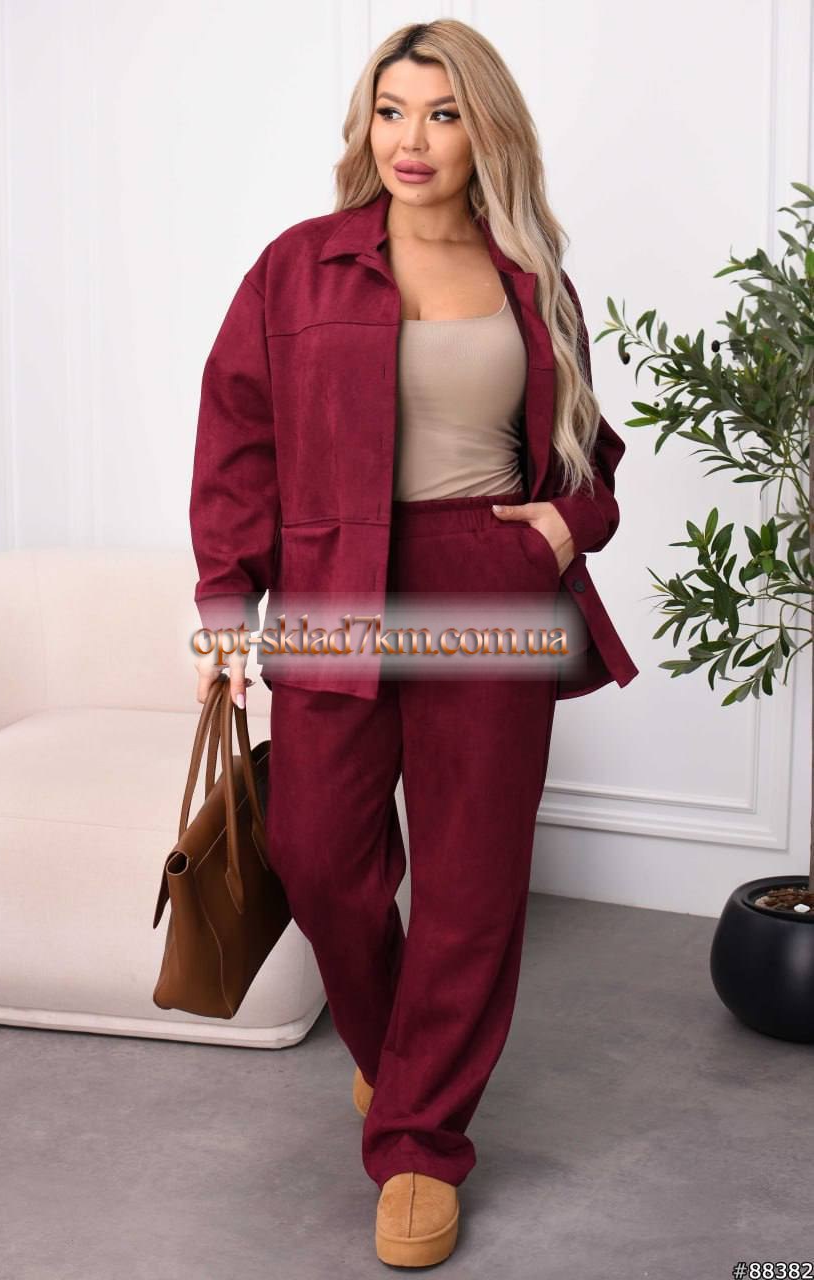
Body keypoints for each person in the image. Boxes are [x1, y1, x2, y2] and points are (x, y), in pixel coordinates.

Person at [190, 18, 638, 1268]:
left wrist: (567, 525)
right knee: (317, 852)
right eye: (393, 110)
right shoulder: (298, 267)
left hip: (487, 582)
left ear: (484, 131)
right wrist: (225, 604)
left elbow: (588, 457)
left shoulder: (530, 276)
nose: (414, 138)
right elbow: (236, 439)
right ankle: (402, 1061)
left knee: (470, 879)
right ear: (365, 123)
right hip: (335, 580)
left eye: (443, 113)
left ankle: (420, 1142)